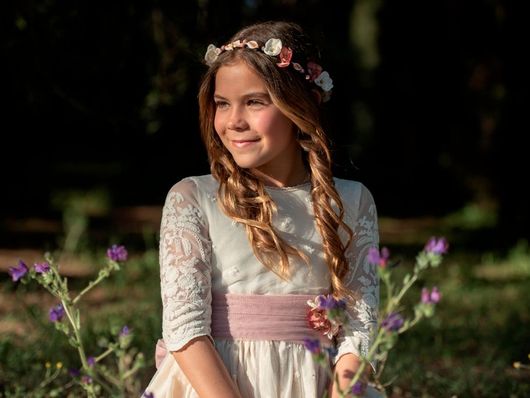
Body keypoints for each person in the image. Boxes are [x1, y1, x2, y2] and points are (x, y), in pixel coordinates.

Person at [143, 20, 380, 398]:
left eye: (255, 101)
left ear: (300, 106)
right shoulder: (194, 199)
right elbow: (185, 329)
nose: (234, 121)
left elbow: (359, 328)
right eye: (223, 104)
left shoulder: (351, 202)